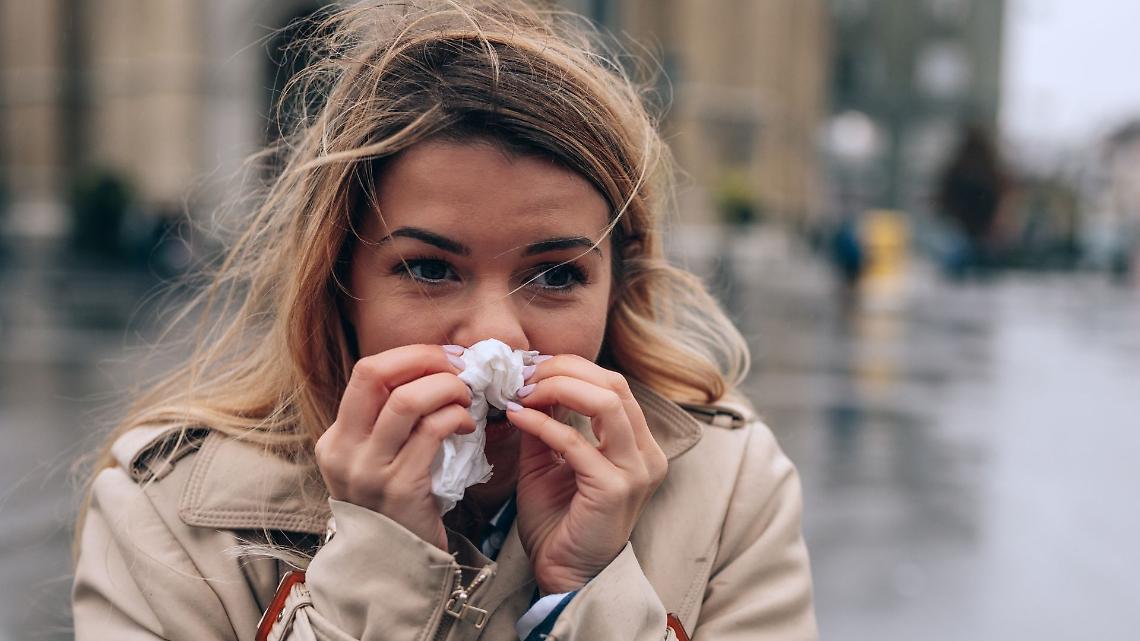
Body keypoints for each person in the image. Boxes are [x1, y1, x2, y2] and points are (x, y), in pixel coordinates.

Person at [71, 2, 817, 640]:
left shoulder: (729, 488)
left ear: (617, 285)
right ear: (338, 280)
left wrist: (588, 594)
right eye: (429, 268)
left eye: (556, 275)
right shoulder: (167, 513)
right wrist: (375, 571)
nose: (495, 336)